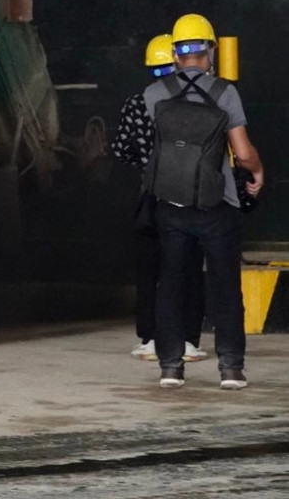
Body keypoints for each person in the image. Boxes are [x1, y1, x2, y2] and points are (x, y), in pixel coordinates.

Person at [145, 14, 265, 390]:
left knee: (171, 284)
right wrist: (257, 173)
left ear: (177, 53)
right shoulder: (225, 93)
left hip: (170, 204)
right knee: (225, 284)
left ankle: (170, 367)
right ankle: (230, 369)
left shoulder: (154, 95)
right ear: (210, 51)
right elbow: (242, 153)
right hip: (218, 204)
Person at [111, 34, 205, 362]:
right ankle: (189, 340)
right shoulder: (199, 103)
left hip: (152, 196)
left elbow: (122, 150)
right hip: (190, 196)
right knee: (189, 267)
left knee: (151, 270)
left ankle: (151, 338)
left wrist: (148, 163)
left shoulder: (138, 104)